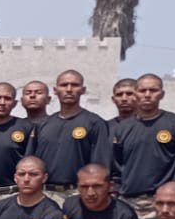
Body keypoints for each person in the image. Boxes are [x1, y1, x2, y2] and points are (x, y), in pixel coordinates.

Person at [109, 73, 175, 219]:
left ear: (162, 94)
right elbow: (116, 166)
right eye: (142, 91)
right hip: (128, 201)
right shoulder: (122, 128)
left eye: (153, 90)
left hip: (162, 202)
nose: (147, 95)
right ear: (135, 94)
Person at [28, 70, 112, 203]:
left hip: (77, 194)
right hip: (44, 194)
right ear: (55, 90)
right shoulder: (43, 124)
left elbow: (100, 164)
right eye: (64, 85)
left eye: (74, 85)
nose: (68, 89)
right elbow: (31, 161)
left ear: (83, 90)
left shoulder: (94, 123)